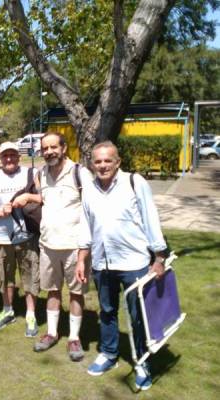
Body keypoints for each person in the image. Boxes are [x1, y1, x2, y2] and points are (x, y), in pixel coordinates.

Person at [75, 141, 167, 391]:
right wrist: (82, 258)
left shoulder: (134, 183)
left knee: (139, 317)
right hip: (102, 262)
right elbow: (86, 224)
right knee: (106, 311)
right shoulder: (89, 190)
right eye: (98, 161)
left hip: (134, 262)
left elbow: (151, 218)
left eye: (108, 160)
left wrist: (159, 257)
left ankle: (142, 362)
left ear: (118, 162)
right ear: (91, 164)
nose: (103, 165)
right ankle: (108, 353)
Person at [12, 132, 91, 361]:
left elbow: (89, 208)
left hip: (74, 246)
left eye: (53, 147)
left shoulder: (79, 172)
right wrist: (29, 196)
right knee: (52, 291)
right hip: (47, 244)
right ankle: (52, 333)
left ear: (64, 148)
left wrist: (85, 250)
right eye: (45, 148)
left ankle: (74, 338)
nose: (49, 152)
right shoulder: (41, 174)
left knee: (76, 292)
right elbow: (47, 199)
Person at [0, 141, 40, 337]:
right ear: (0, 158)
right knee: (5, 278)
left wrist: (28, 197)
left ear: (19, 156)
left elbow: (44, 198)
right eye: (6, 155)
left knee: (30, 276)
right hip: (1, 238)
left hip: (27, 237)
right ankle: (8, 310)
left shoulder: (31, 175)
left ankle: (31, 315)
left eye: (13, 155)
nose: (9, 159)